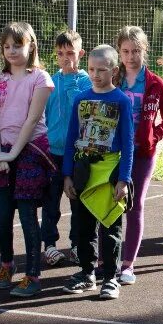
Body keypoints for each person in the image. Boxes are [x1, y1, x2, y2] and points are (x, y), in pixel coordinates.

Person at [0, 22, 55, 298]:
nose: (11, 51)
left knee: (27, 215)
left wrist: (12, 153)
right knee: (3, 215)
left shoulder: (40, 78)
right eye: (6, 47)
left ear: (31, 46)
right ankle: (6, 264)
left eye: (17, 45)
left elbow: (32, 119)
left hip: (30, 152)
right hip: (1, 152)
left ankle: (33, 275)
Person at [63, 45, 135, 299]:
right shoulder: (81, 99)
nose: (95, 74)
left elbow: (128, 144)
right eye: (92, 69)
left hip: (110, 172)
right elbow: (72, 136)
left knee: (110, 227)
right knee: (83, 226)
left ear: (114, 71)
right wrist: (67, 174)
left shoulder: (122, 101)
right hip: (83, 171)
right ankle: (86, 272)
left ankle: (110, 277)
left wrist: (124, 180)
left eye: (102, 70)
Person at [115, 25, 163, 284]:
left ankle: (128, 265)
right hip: (113, 152)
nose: (131, 56)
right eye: (126, 51)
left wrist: (154, 134)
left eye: (136, 51)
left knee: (134, 204)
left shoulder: (155, 83)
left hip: (143, 153)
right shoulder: (112, 78)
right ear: (119, 53)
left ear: (145, 50)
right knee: (109, 206)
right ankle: (105, 260)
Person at [41, 30, 93, 267]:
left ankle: (75, 244)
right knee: (51, 202)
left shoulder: (85, 81)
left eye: (70, 53)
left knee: (77, 201)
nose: (65, 58)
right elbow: (43, 115)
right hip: (52, 153)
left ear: (80, 53)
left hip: (76, 153)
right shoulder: (50, 81)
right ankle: (49, 245)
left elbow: (84, 111)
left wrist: (73, 84)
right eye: (60, 53)